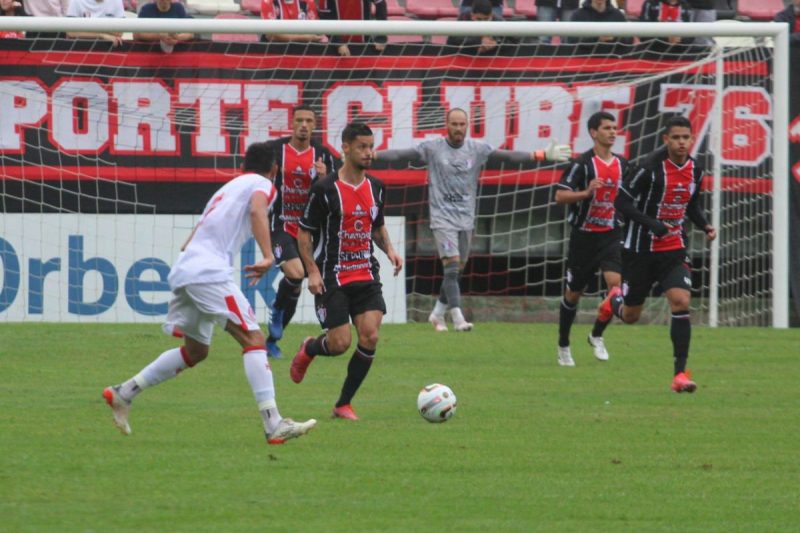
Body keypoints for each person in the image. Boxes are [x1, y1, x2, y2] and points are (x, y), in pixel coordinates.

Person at [103, 142, 317, 444]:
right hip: (208, 273)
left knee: (196, 351)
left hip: (185, 268)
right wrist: (268, 255)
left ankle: (123, 393)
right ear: (274, 170)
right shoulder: (264, 185)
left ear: (244, 166)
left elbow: (187, 241)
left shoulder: (226, 189)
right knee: (254, 339)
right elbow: (258, 210)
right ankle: (274, 423)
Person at [377, 108, 571, 332]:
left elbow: (506, 157)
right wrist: (375, 155)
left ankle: (437, 313)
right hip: (442, 219)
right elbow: (402, 155)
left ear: (467, 126)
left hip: (466, 219)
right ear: (446, 125)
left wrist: (540, 155)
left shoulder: (476, 149)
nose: (458, 128)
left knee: (456, 269)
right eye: (454, 124)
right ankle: (458, 317)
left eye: (462, 124)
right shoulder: (433, 148)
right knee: (450, 268)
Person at [290, 122, 403, 421]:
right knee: (340, 343)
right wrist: (311, 272)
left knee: (370, 336)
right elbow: (304, 234)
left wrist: (389, 249)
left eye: (371, 146)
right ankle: (310, 348)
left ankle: (343, 404)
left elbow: (376, 226)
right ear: (346, 148)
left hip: (365, 273)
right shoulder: (325, 190)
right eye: (362, 147)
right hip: (332, 276)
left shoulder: (376, 187)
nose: (369, 153)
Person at [598, 115, 716, 393]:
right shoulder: (649, 168)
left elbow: (691, 205)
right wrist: (653, 224)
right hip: (639, 250)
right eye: (675, 138)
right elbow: (621, 202)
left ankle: (680, 374)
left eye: (686, 137)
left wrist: (705, 225)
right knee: (630, 316)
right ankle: (615, 300)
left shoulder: (696, 170)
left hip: (673, 249)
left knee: (680, 300)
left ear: (691, 139)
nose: (681, 142)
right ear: (666, 139)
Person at [554, 111, 628, 367]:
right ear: (593, 132)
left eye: (614, 127)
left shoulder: (622, 164)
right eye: (606, 128)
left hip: (611, 234)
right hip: (584, 237)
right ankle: (563, 344)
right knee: (574, 294)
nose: (612, 132)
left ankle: (596, 334)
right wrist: (586, 193)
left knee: (616, 287)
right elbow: (560, 196)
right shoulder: (582, 164)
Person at [264, 105, 338, 359]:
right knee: (295, 274)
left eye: (308, 121)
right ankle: (276, 311)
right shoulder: (275, 151)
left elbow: (332, 192)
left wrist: (325, 178)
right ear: (292, 123)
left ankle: (273, 339)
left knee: (296, 286)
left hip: (309, 231)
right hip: (281, 224)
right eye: (299, 120)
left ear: (315, 125)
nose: (304, 125)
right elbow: (258, 178)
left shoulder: (323, 156)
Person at [318, 0, 387, 57]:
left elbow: (380, 5)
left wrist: (381, 37)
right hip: (339, 48)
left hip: (366, 45)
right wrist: (338, 43)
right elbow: (324, 18)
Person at [261, 0, 325, 43]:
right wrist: (304, 38)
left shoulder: (308, 2)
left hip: (303, 51)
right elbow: (271, 36)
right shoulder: (268, 2)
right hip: (273, 52)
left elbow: (315, 30)